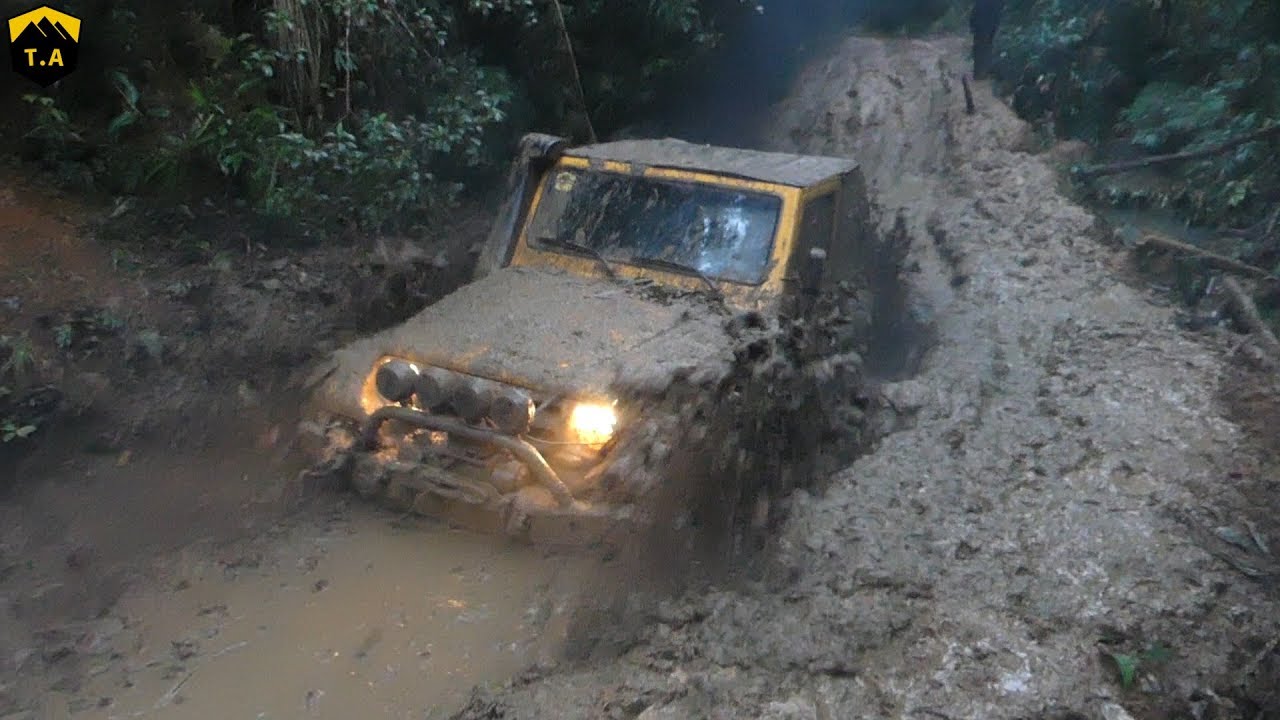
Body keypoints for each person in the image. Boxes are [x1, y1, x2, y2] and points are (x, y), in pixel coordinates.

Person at [970, 0, 1005, 79]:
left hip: (980, 27)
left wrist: (972, 25)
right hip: (990, 27)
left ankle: (979, 72)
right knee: (986, 48)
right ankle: (983, 71)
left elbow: (974, 11)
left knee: (979, 49)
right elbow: (999, 13)